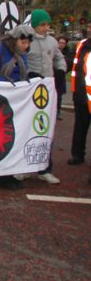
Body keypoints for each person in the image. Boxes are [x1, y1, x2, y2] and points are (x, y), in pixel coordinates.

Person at [0, 24, 34, 190]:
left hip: (16, 98)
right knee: (2, 136)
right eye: (23, 43)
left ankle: (10, 172)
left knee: (15, 135)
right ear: (15, 40)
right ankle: (0, 175)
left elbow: (22, 72)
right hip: (0, 97)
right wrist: (4, 84)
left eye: (27, 44)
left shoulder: (20, 54)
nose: (26, 47)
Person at [19, 9, 65, 184]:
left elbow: (59, 59)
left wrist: (61, 70)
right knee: (26, 128)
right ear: (35, 25)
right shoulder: (26, 40)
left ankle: (44, 168)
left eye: (47, 24)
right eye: (42, 24)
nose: (46, 27)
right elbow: (19, 60)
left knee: (45, 128)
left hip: (47, 91)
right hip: (30, 90)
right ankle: (23, 167)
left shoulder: (52, 42)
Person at [68, 23, 91, 166]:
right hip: (81, 94)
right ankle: (77, 154)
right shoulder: (82, 44)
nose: (89, 29)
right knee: (80, 126)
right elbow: (74, 65)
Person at [55, 35, 73, 120]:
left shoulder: (68, 53)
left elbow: (69, 63)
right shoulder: (53, 50)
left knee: (59, 95)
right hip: (52, 75)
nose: (61, 44)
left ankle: (58, 110)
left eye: (63, 43)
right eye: (60, 42)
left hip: (61, 76)